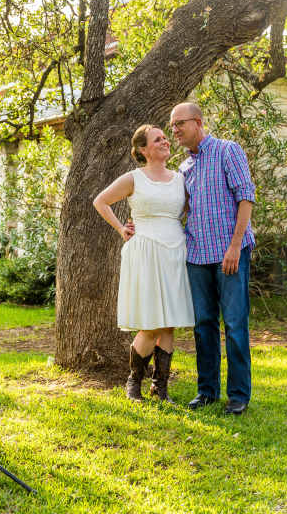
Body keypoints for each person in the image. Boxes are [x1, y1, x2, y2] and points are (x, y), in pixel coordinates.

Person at [93, 125, 195, 402]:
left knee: (169, 324)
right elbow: (101, 201)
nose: (165, 141)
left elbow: (188, 210)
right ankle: (133, 384)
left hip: (175, 251)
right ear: (142, 150)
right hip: (146, 252)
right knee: (151, 323)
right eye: (157, 139)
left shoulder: (180, 178)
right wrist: (120, 229)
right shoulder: (134, 178)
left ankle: (160, 388)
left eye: (165, 138)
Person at [170, 102, 255, 415]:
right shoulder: (184, 169)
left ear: (198, 122)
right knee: (203, 325)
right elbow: (180, 211)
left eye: (180, 123)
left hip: (229, 254)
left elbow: (245, 198)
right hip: (197, 256)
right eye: (172, 125)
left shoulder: (227, 151)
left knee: (234, 324)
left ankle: (238, 395)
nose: (175, 130)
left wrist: (234, 247)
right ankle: (207, 391)